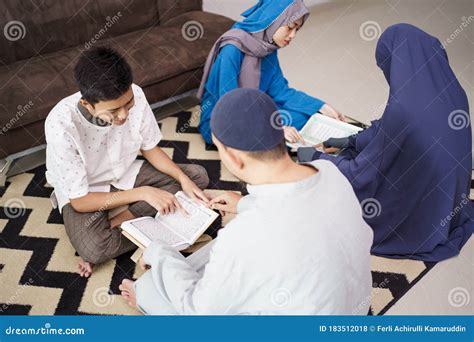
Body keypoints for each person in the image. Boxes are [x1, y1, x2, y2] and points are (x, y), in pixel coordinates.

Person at [119, 88, 373, 315]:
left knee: (151, 289)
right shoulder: (328, 171)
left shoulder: (243, 234)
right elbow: (295, 212)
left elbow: (199, 311)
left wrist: (158, 251)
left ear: (235, 158)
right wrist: (242, 203)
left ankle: (146, 294)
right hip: (352, 307)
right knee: (214, 257)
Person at [298, 24, 474, 262]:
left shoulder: (403, 110)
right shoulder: (453, 91)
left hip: (418, 208)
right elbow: (390, 129)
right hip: (449, 199)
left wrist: (315, 157)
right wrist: (348, 140)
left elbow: (362, 174)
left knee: (325, 193)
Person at [45, 47, 210, 278]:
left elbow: (150, 149)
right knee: (93, 248)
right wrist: (144, 193)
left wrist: (182, 178)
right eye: (113, 111)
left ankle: (122, 220)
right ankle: (144, 221)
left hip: (125, 172)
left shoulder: (137, 94)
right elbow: (81, 202)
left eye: (128, 104)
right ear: (87, 104)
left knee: (197, 176)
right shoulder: (60, 126)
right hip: (86, 190)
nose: (123, 115)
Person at [197, 0, 345, 145]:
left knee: (307, 115)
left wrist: (322, 106)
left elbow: (281, 91)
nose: (293, 35)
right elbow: (229, 104)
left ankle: (274, 139)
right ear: (273, 21)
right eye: (290, 27)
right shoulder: (231, 50)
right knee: (263, 134)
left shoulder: (267, 48)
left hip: (254, 108)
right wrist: (274, 128)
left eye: (297, 30)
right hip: (225, 118)